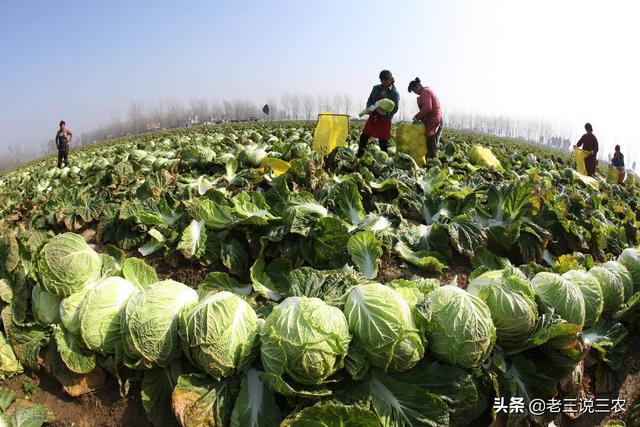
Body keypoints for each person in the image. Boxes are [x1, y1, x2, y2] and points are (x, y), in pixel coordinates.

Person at [357, 70, 400, 157]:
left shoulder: (395, 93)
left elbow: (395, 108)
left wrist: (385, 113)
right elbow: (370, 100)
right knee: (363, 137)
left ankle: (384, 162)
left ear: (390, 79)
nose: (384, 82)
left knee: (383, 142)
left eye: (386, 80)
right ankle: (359, 156)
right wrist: (369, 108)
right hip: (373, 117)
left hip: (384, 120)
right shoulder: (376, 88)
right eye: (382, 80)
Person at [408, 77, 443, 159]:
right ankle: (428, 158)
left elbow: (428, 107)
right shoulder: (424, 92)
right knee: (428, 139)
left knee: (431, 140)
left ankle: (433, 160)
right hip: (430, 119)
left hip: (435, 119)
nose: (415, 92)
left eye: (414, 90)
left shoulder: (426, 92)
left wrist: (417, 117)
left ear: (418, 86)